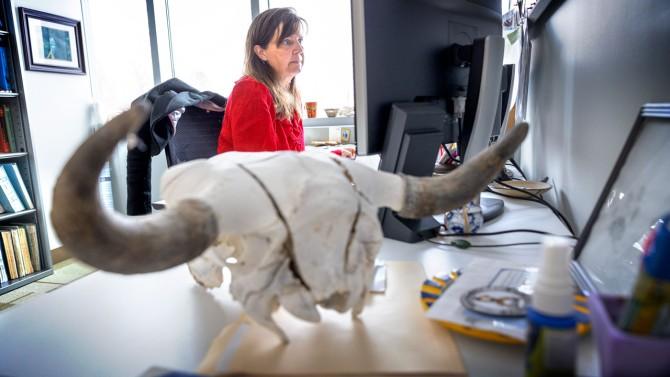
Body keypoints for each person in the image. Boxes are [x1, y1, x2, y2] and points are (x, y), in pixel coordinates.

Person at [217, 8, 307, 153]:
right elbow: (261, 168)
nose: (300, 49)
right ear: (261, 52)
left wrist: (333, 158)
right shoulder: (250, 91)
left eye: (300, 41)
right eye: (287, 42)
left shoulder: (292, 94)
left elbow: (294, 159)